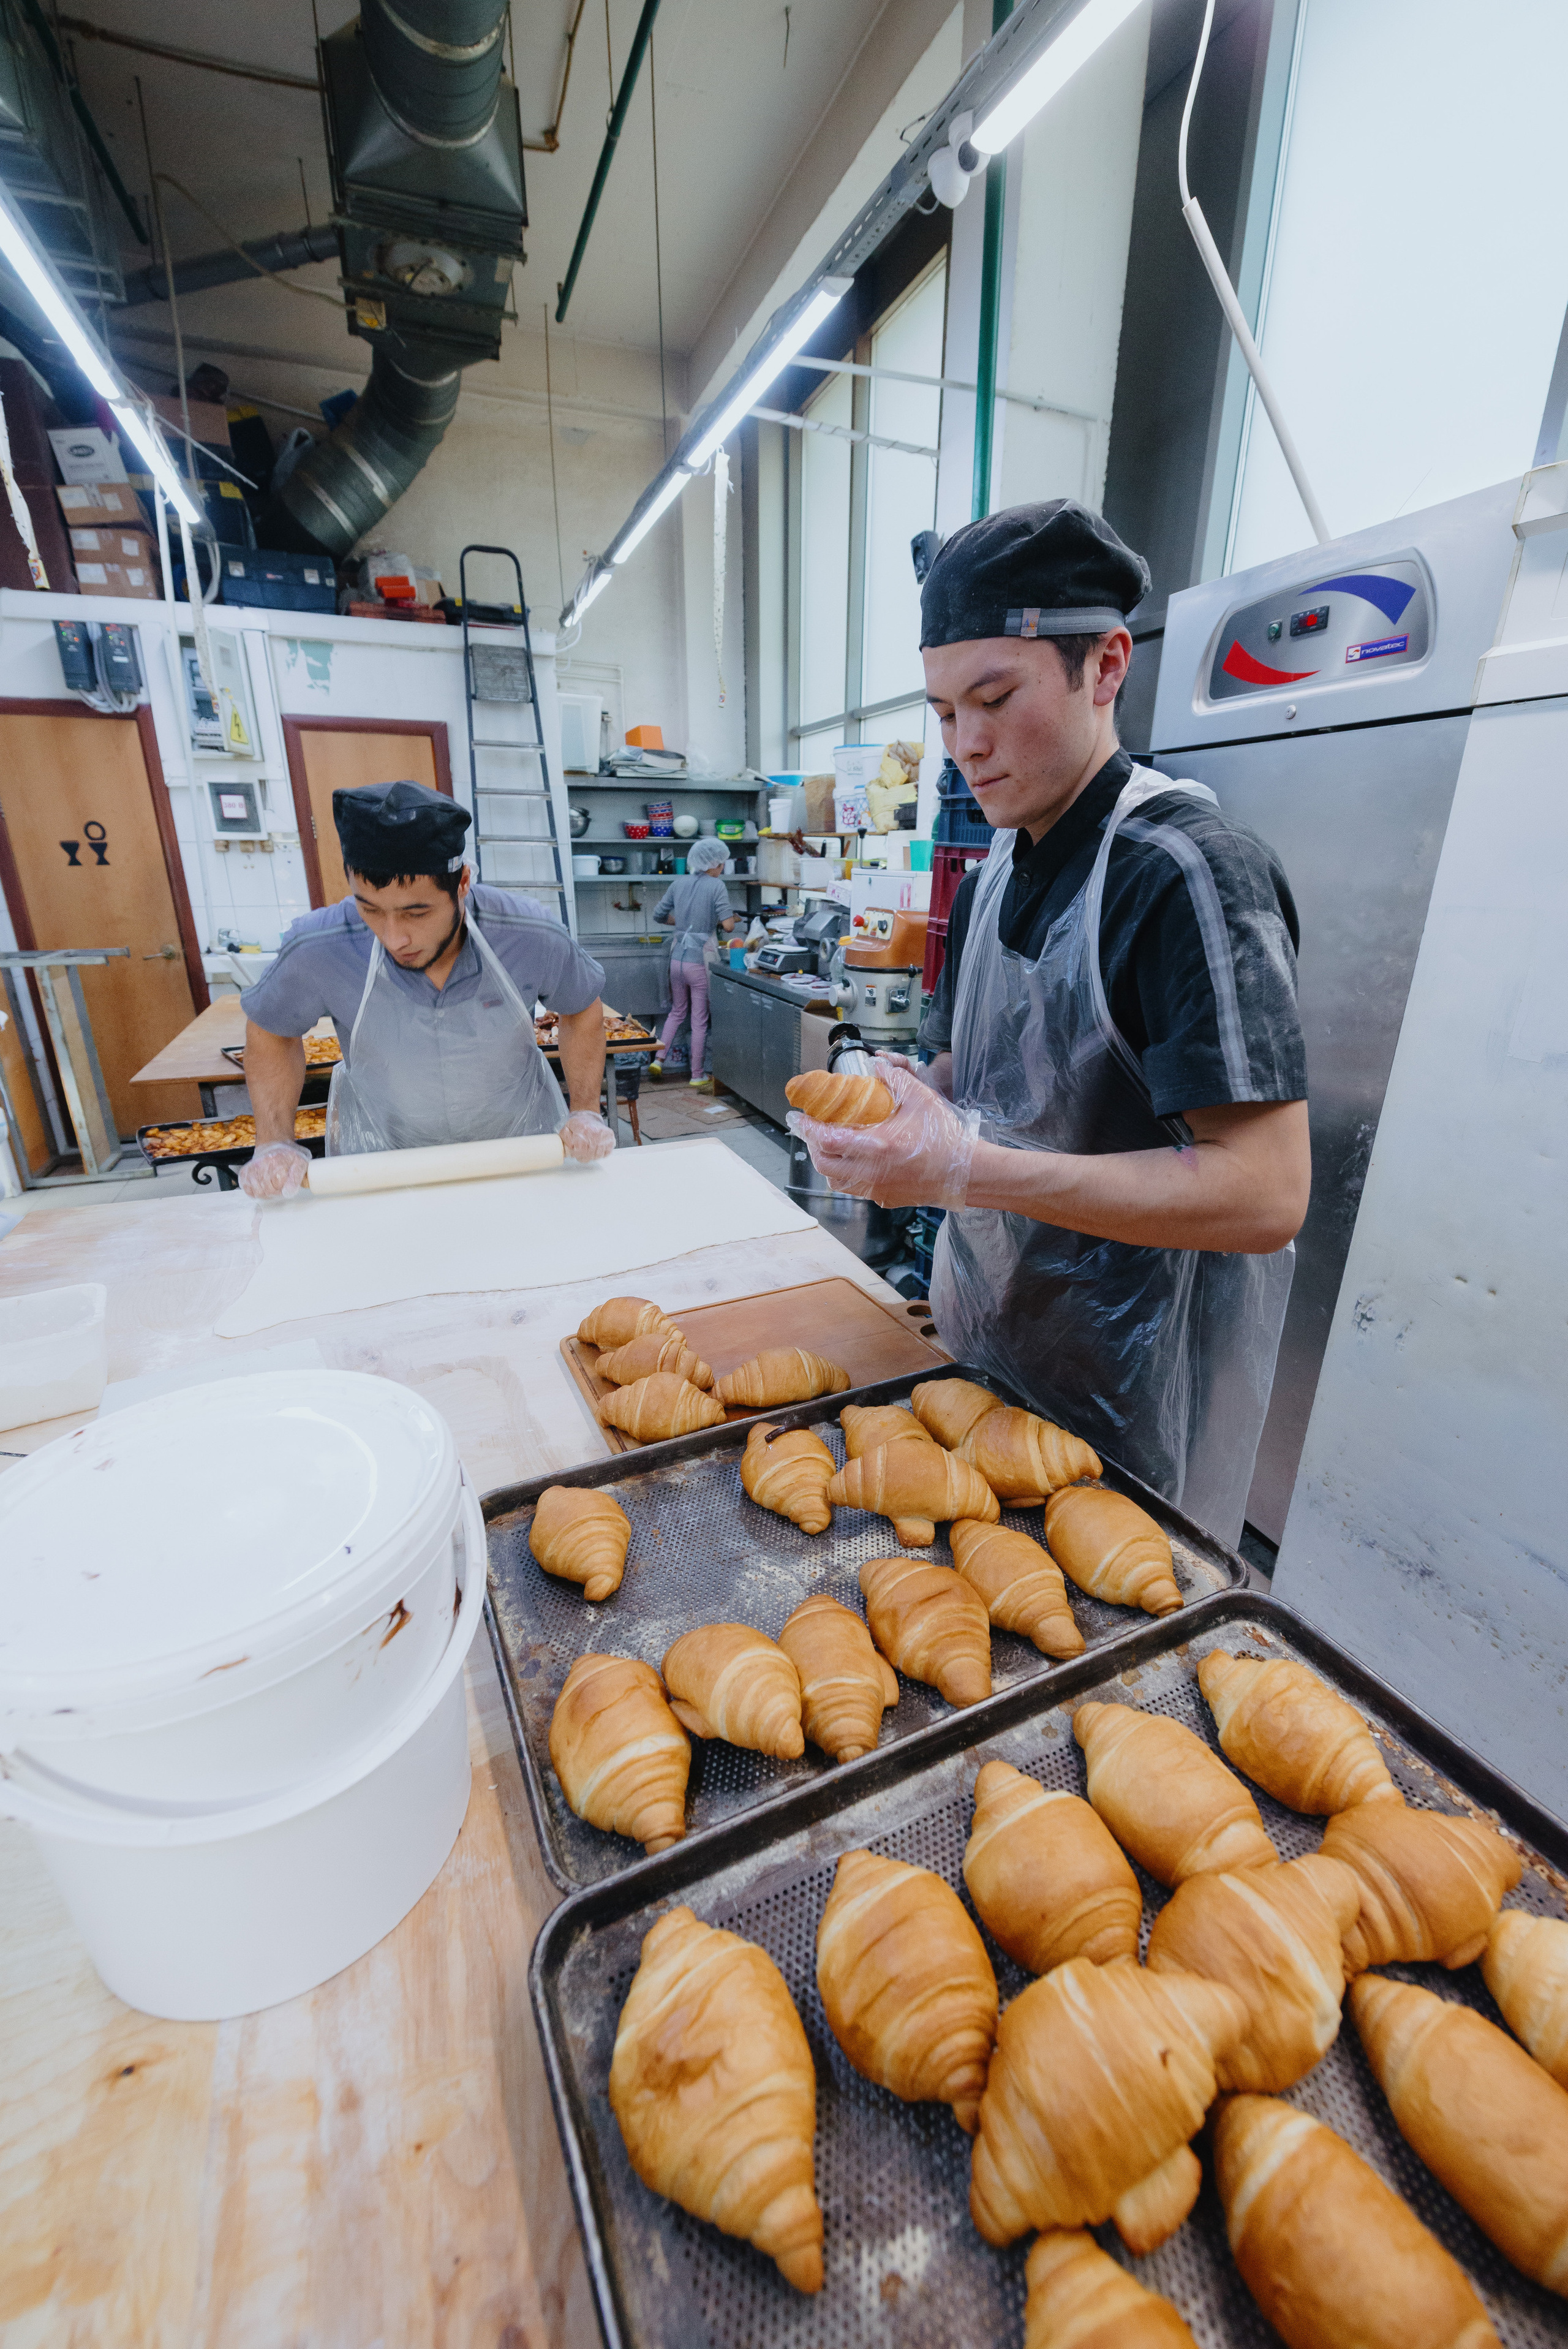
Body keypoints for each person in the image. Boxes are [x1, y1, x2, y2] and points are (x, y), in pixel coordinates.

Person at [790, 501, 1311, 1544]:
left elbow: (1265, 1192)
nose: (965, 747)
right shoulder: (996, 874)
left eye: (994, 698)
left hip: (1135, 1412)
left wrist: (962, 1167)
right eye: (943, 712)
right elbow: (994, 1076)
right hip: (991, 1357)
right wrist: (914, 1094)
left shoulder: (1185, 873)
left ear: (1106, 664)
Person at [236, 778, 615, 1198]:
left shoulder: (530, 935)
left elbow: (581, 1007)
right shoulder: (318, 948)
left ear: (463, 883)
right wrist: (274, 1141)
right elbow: (271, 1029)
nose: (394, 937)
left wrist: (585, 1111)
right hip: (382, 1166)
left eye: (417, 912)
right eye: (370, 909)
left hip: (520, 1153)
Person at [649, 838, 737, 1092]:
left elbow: (658, 915)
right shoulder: (717, 886)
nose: (722, 867)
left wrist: (682, 925)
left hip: (676, 959)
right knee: (699, 1020)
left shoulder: (679, 882)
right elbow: (729, 926)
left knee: (677, 1012)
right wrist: (726, 918)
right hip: (699, 962)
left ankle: (658, 1060)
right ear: (715, 864)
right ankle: (697, 1075)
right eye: (721, 863)